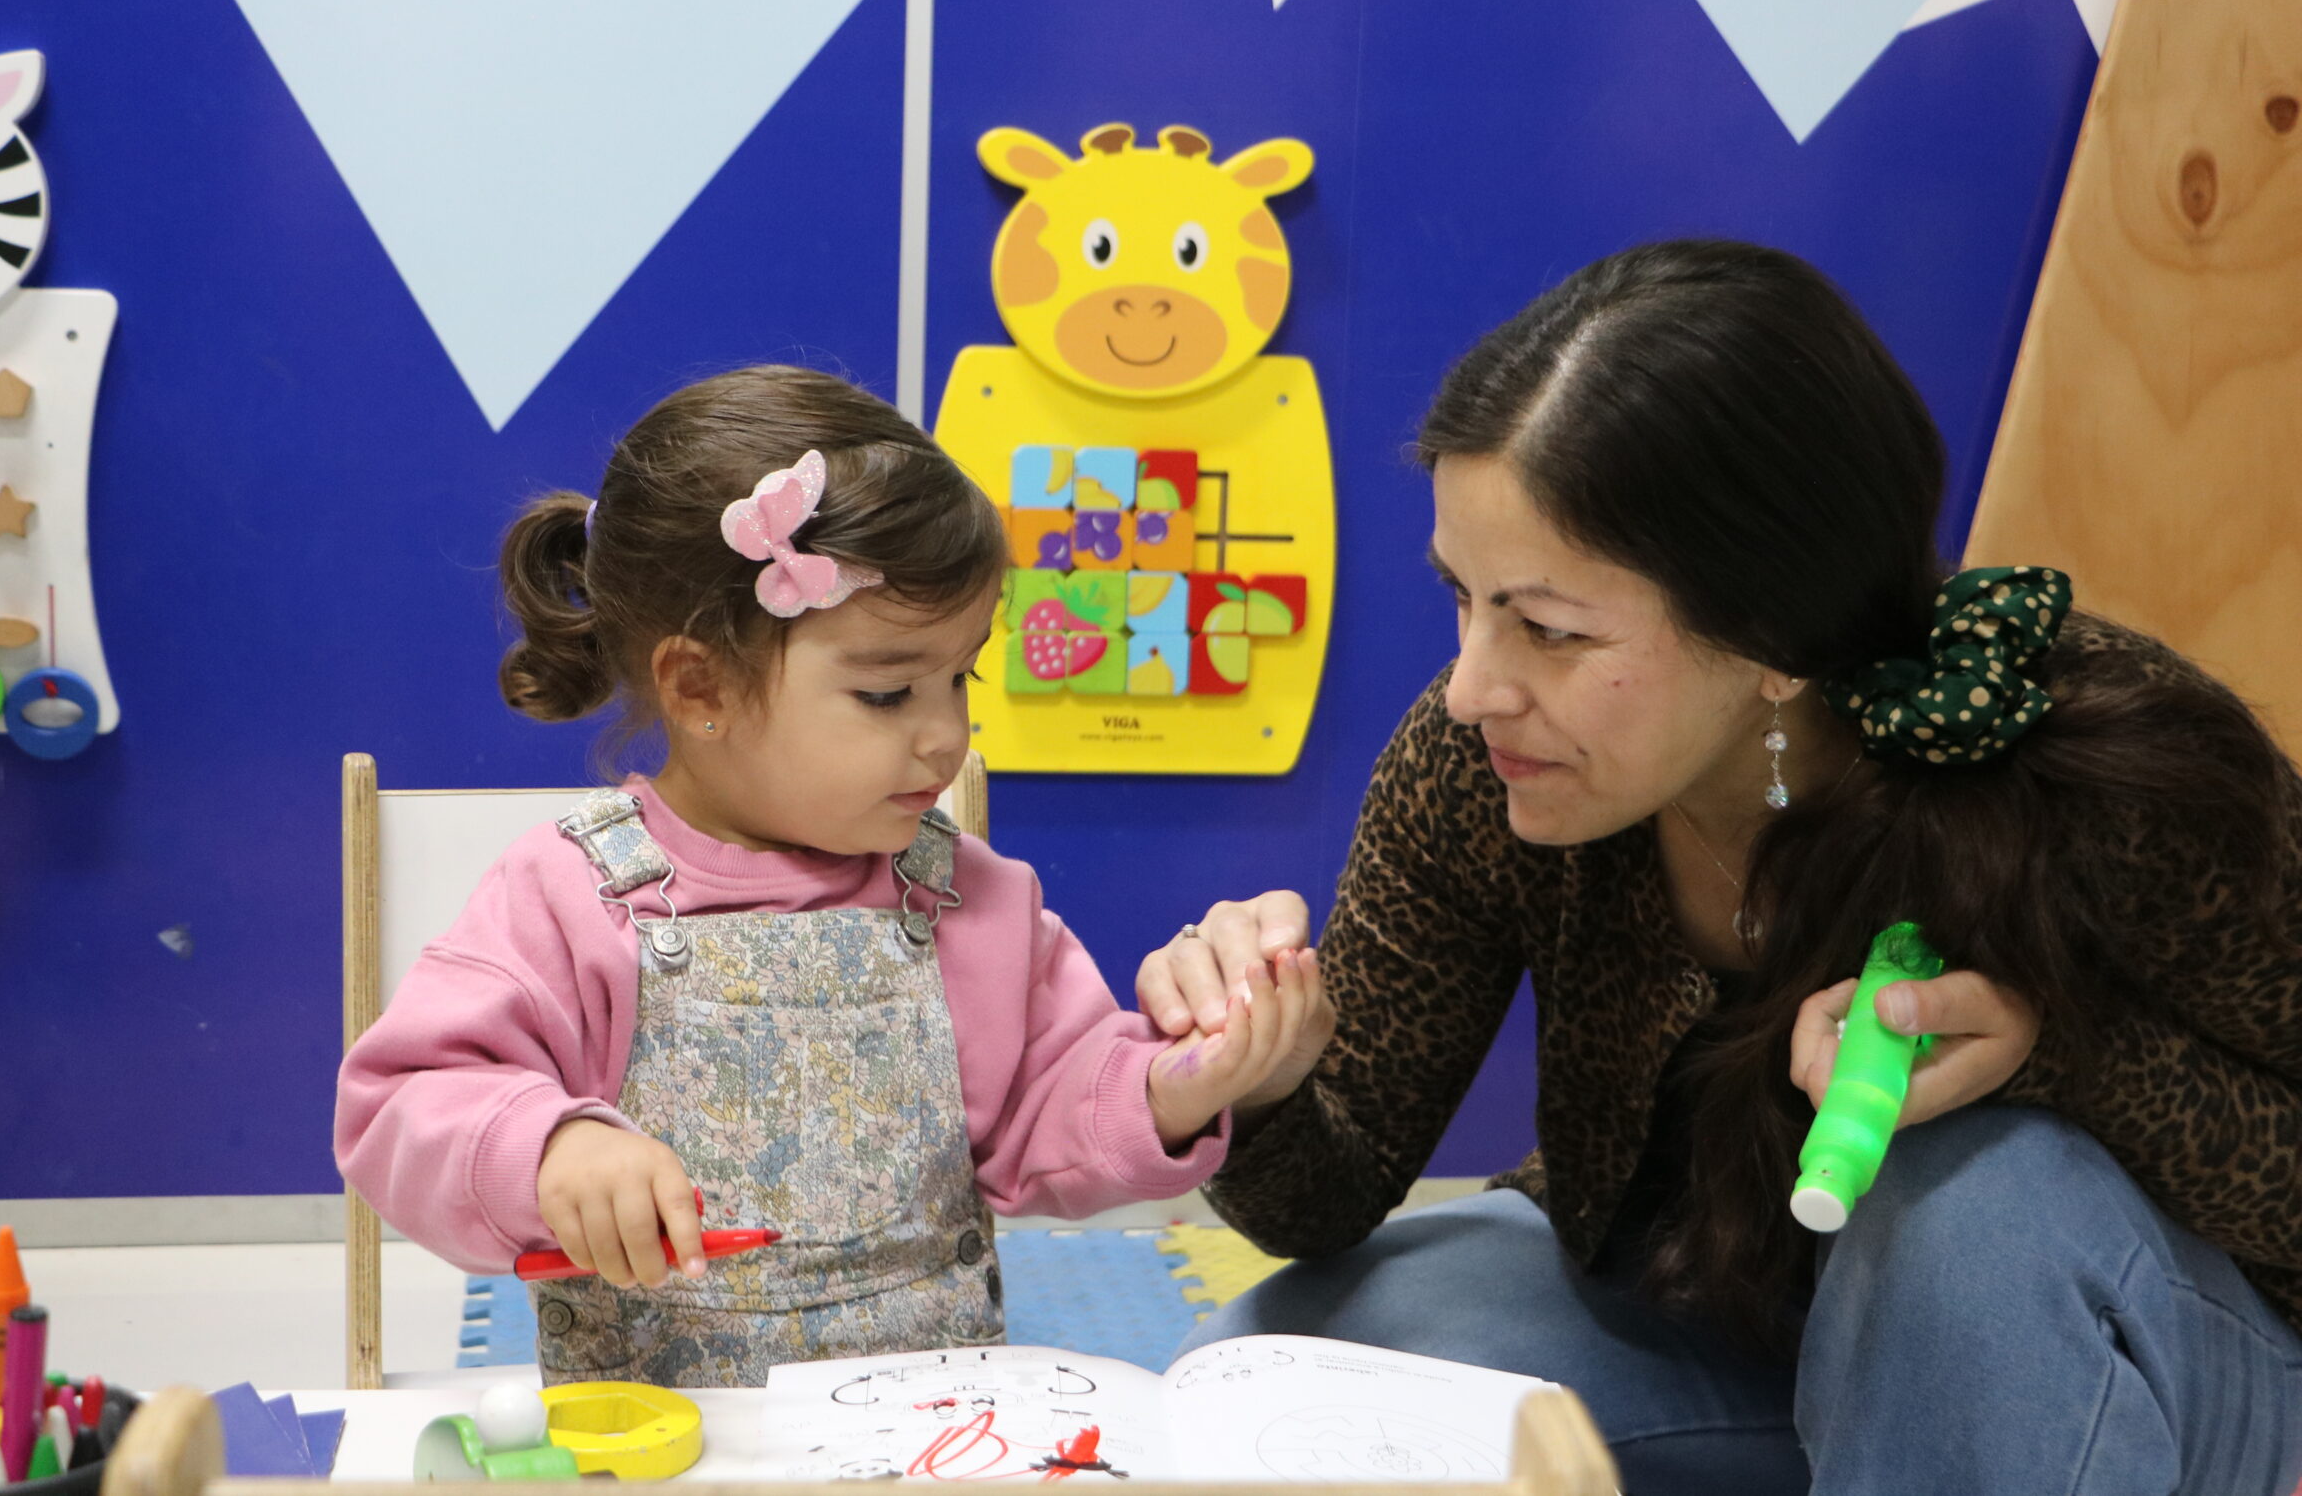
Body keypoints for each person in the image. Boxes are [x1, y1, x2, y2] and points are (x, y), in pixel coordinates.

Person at [1138, 242, 2302, 1496]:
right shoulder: (1482, 760)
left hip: (2137, 1359)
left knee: (1965, 1203)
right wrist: (1251, 1074)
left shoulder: (2104, 764)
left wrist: (2059, 1058)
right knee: (1271, 1385)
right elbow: (1331, 1187)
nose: (1474, 684)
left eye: (1549, 626)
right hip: (1728, 1321)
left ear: (1776, 637)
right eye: (1461, 599)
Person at [337, 364, 1327, 1386]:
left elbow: (1054, 1100)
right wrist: (546, 1151)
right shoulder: (571, 897)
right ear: (699, 683)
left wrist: (1177, 1085)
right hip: (672, 1451)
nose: (945, 735)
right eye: (889, 691)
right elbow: (401, 1103)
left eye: (961, 676)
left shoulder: (970, 901)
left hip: (930, 1428)